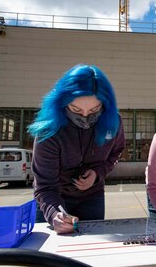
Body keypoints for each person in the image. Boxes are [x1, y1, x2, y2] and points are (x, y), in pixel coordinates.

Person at [28, 64, 125, 234]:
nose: (86, 118)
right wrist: (54, 214)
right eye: (76, 110)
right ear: (62, 103)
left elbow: (116, 152)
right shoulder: (48, 131)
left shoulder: (113, 122)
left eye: (95, 110)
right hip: (54, 197)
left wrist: (97, 173)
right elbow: (45, 186)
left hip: (92, 196)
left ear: (105, 105)